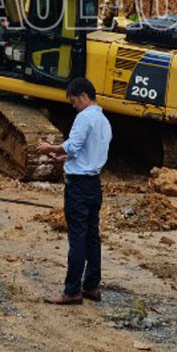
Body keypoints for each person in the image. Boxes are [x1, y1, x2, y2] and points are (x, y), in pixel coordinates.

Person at [34, 77, 111, 306]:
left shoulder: (84, 117)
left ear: (84, 96)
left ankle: (72, 290)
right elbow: (87, 150)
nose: (73, 105)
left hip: (77, 185)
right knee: (92, 235)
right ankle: (91, 285)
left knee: (77, 237)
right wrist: (65, 156)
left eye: (74, 101)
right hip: (94, 183)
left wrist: (52, 148)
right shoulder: (103, 121)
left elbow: (73, 144)